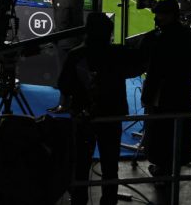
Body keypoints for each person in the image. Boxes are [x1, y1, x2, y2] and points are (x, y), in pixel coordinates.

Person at [58, 13, 143, 205]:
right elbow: (138, 66)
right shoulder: (118, 53)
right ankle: (109, 200)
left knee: (81, 164)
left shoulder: (76, 55)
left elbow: (63, 85)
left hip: (84, 117)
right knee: (110, 165)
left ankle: (78, 201)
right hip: (111, 116)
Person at [140, 0, 191, 179]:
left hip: (163, 94)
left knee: (161, 130)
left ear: (171, 15)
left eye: (160, 15)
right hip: (182, 92)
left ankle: (162, 169)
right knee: (178, 128)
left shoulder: (159, 38)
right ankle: (175, 163)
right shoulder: (190, 35)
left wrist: (147, 96)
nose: (157, 18)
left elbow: (154, 70)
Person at [47, 0, 85, 113]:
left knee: (65, 74)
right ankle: (76, 103)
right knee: (74, 73)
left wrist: (53, 37)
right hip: (76, 38)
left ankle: (64, 104)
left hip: (66, 42)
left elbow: (62, 23)